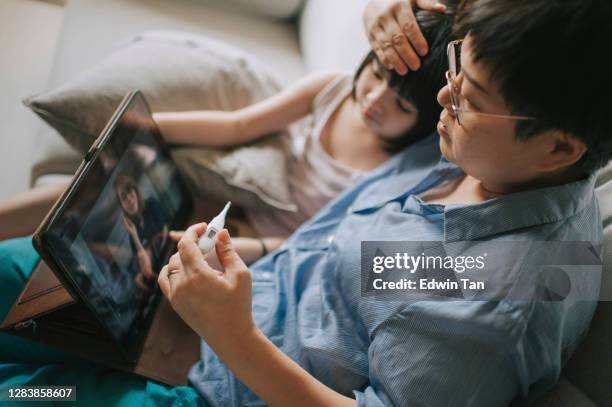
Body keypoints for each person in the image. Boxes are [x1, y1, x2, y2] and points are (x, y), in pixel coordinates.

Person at [156, 0, 612, 405]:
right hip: (242, 298)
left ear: (557, 148)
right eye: (456, 67)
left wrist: (234, 335)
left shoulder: (493, 311)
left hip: (220, 379)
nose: (442, 95)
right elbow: (380, 268)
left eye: (467, 98)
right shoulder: (503, 162)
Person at [154, 4, 455, 268]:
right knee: (148, 223)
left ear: (425, 122)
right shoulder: (332, 90)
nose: (375, 100)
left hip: (287, 251)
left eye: (401, 106)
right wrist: (148, 124)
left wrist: (253, 249)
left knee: (166, 265)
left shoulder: (400, 169)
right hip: (250, 205)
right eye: (376, 75)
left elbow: (327, 243)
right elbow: (238, 126)